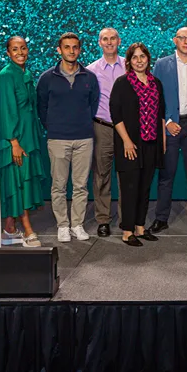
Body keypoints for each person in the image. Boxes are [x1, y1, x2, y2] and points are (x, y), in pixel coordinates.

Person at [36, 32, 100, 243]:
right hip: (57, 138)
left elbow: (93, 104)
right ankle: (63, 225)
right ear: (59, 50)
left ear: (79, 50)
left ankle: (77, 224)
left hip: (84, 138)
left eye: (75, 47)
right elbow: (42, 107)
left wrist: (82, 124)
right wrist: (54, 127)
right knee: (59, 185)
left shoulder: (89, 77)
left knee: (81, 185)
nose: (71, 51)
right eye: (67, 47)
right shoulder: (47, 78)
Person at [149, 27, 187, 235]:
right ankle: (161, 218)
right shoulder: (161, 64)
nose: (185, 41)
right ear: (175, 40)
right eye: (182, 38)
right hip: (170, 126)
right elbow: (154, 96)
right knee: (166, 175)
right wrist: (166, 122)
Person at [109, 43, 166, 246]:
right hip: (130, 144)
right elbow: (116, 115)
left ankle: (140, 228)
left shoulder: (156, 83)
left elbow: (161, 114)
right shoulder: (122, 83)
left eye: (143, 57)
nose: (139, 60)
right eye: (135, 57)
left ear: (148, 59)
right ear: (129, 62)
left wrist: (163, 142)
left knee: (145, 187)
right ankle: (127, 230)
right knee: (130, 188)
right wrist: (126, 141)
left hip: (151, 143)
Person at [0, 36, 46, 248]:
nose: (20, 52)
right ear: (7, 53)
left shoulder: (26, 73)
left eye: (23, 48)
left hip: (29, 136)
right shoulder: (6, 75)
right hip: (15, 138)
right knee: (20, 183)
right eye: (15, 49)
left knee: (19, 183)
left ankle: (9, 229)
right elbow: (5, 110)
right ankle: (27, 230)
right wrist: (14, 141)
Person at [86, 28, 126, 237]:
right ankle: (103, 219)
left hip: (127, 130)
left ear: (119, 41)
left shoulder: (131, 66)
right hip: (102, 127)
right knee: (101, 174)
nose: (109, 42)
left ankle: (126, 219)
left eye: (113, 38)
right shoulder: (90, 70)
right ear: (99, 42)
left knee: (126, 174)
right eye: (105, 39)